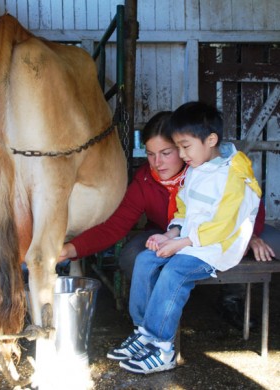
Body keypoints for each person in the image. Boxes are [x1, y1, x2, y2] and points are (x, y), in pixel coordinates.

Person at [59, 111, 277, 321]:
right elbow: (114, 227)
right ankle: (156, 313)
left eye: (166, 153)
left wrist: (251, 236)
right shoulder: (144, 181)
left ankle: (232, 299)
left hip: (222, 231)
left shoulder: (209, 170)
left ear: (182, 147)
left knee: (261, 244)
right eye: (150, 154)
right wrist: (70, 249)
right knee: (132, 255)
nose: (157, 163)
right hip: (167, 232)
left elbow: (247, 207)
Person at [112, 101, 262, 375]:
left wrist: (180, 243)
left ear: (211, 140)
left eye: (185, 146)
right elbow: (184, 209)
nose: (182, 154)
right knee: (146, 259)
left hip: (218, 248)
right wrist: (170, 233)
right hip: (192, 243)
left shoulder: (233, 173)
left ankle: (163, 348)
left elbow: (223, 225)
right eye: (178, 148)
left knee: (173, 272)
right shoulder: (197, 168)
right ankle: (144, 332)